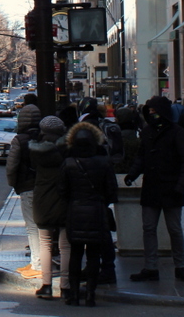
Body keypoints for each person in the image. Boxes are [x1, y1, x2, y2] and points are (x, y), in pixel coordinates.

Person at [124, 95, 184, 284]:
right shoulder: (147, 132)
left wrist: (181, 186)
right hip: (153, 186)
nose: (152, 115)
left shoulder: (177, 132)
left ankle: (180, 266)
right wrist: (132, 174)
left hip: (171, 188)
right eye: (150, 112)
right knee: (149, 228)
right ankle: (151, 267)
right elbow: (141, 156)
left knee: (174, 228)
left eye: (155, 111)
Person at [59, 121, 118, 307]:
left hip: (75, 212)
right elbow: (112, 191)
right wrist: (101, 201)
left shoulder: (68, 163)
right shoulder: (103, 162)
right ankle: (90, 294)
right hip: (97, 211)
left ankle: (74, 294)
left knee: (75, 254)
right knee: (94, 255)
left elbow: (62, 191)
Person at [29, 115, 71, 300]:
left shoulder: (35, 151)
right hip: (63, 198)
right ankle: (66, 285)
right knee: (65, 245)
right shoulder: (66, 150)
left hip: (42, 199)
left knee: (45, 243)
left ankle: (46, 284)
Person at [6, 103, 43, 279]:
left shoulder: (19, 140)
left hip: (27, 187)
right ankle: (38, 260)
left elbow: (12, 166)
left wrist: (13, 183)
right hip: (45, 186)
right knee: (43, 226)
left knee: (32, 227)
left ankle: (37, 263)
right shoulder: (46, 137)